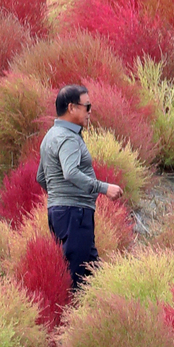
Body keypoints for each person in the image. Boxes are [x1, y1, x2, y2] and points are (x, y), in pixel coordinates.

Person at [37, 85, 124, 287]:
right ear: (71, 108)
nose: (90, 112)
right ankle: (77, 316)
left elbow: (41, 176)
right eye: (87, 106)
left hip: (59, 213)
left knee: (88, 270)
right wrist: (104, 188)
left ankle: (94, 310)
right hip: (74, 214)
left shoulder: (50, 136)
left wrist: (58, 198)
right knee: (81, 277)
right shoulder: (68, 138)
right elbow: (70, 172)